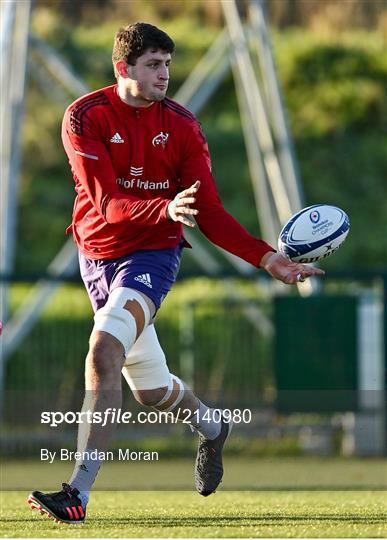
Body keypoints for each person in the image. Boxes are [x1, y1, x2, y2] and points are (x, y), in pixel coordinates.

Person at [27, 22, 324, 524]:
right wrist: (165, 207)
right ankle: (212, 425)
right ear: (124, 68)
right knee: (149, 389)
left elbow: (208, 211)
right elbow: (106, 203)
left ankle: (77, 490)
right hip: (97, 256)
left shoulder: (183, 127)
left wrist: (266, 256)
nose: (165, 74)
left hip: (152, 255)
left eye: (168, 64)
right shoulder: (84, 116)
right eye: (153, 64)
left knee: (102, 351)